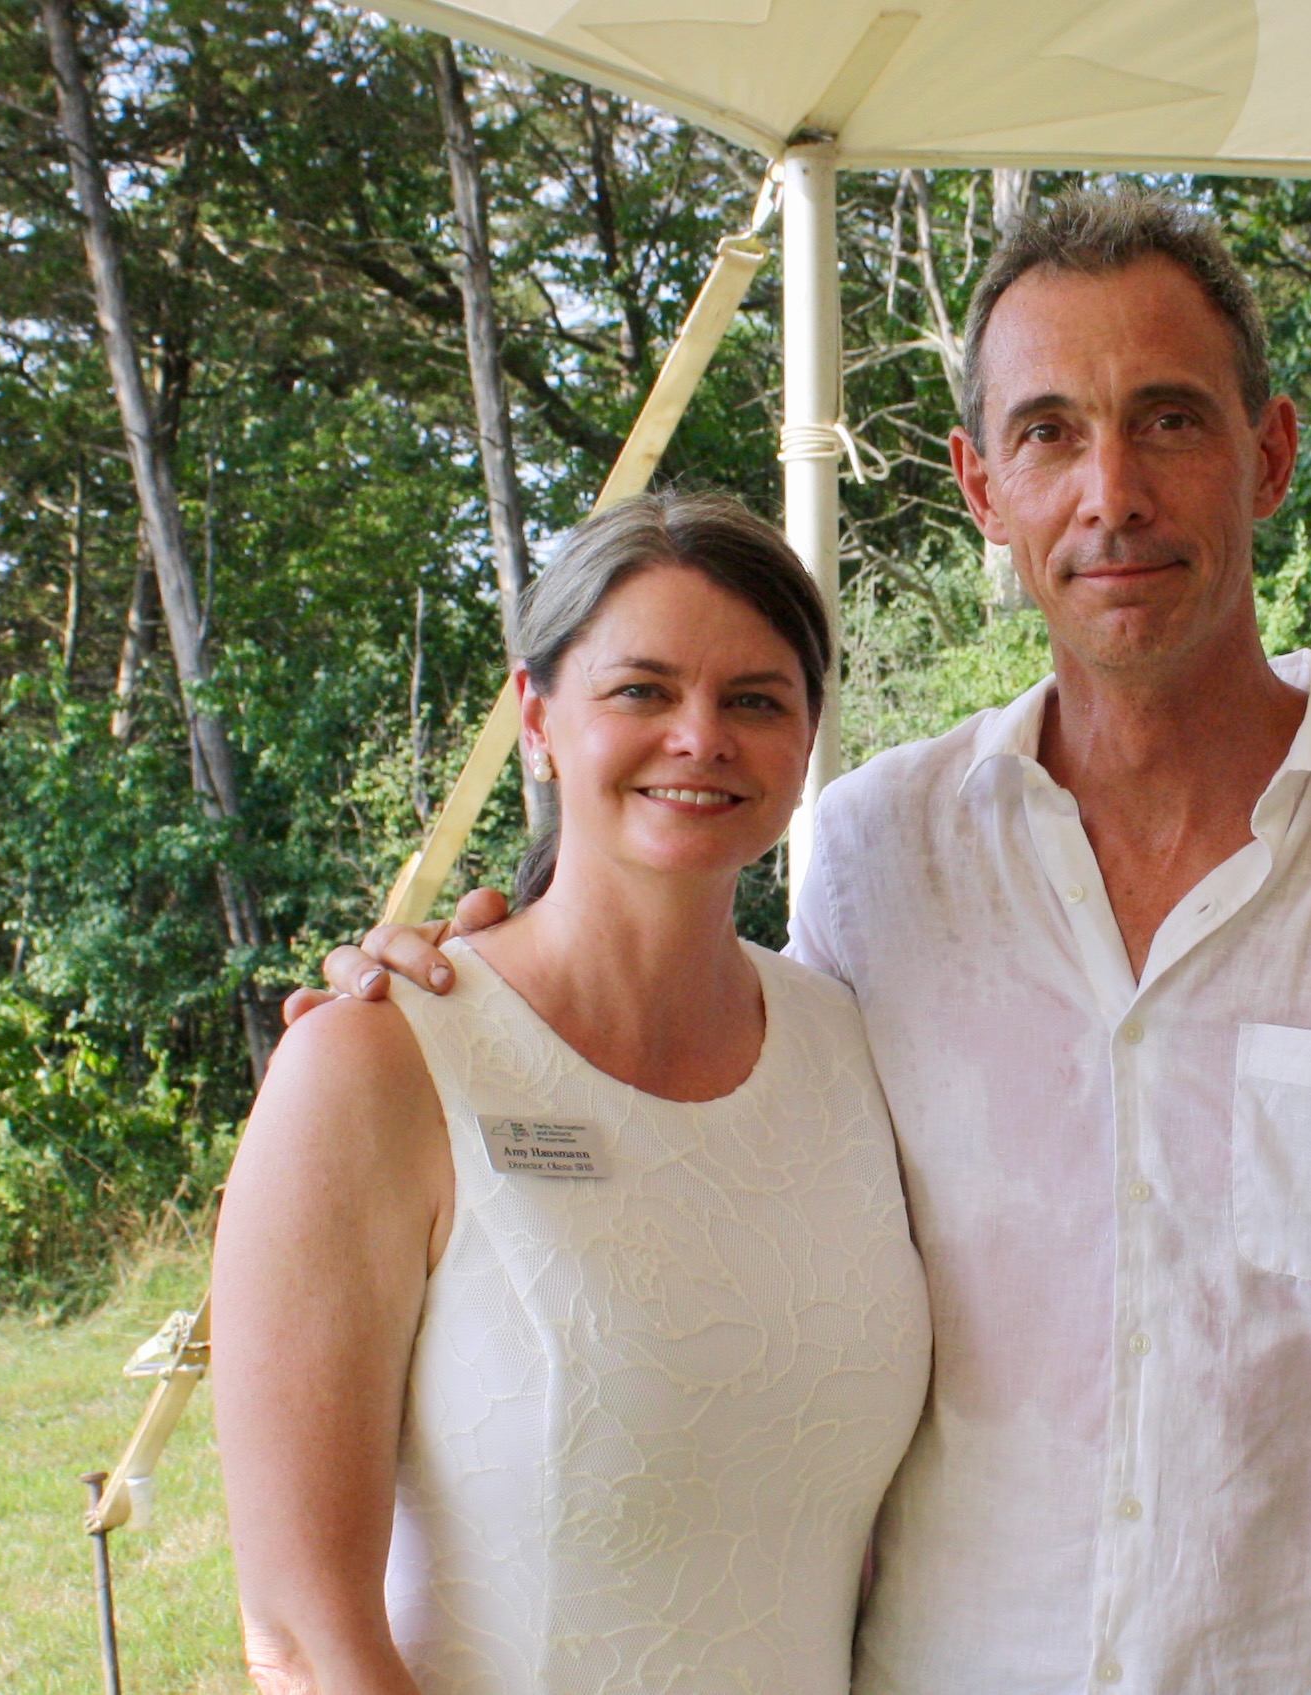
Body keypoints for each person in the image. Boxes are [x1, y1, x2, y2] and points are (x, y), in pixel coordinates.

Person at [313, 190, 1311, 1693]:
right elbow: (691, 1082)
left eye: (1168, 420)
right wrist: (478, 993)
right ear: (978, 484)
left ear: (1269, 452)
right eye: (1046, 432)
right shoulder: (878, 855)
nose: (1111, 492)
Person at [215, 491, 930, 1695]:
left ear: (807, 740)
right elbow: (300, 1636)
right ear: (537, 719)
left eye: (754, 699)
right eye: (642, 691)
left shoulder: (848, 1039)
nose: (700, 736)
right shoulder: (378, 1066)